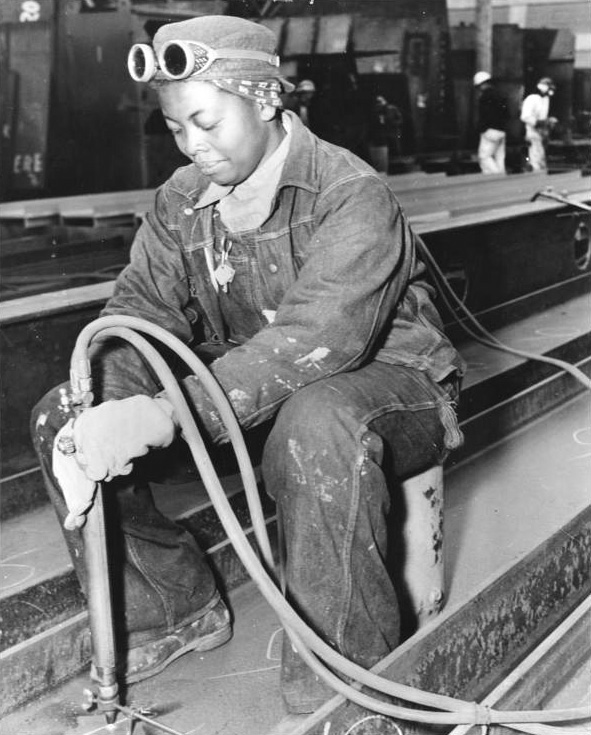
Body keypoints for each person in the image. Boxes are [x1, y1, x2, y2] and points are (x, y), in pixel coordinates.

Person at [31, 15, 465, 716]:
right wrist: (109, 401)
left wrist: (169, 413)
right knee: (67, 411)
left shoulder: (351, 195)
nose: (192, 146)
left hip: (390, 389)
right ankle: (171, 604)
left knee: (314, 420)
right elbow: (139, 311)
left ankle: (348, 689)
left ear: (265, 101)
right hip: (245, 391)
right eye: (176, 128)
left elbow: (315, 342)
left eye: (205, 122)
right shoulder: (181, 201)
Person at [473, 71, 509, 175]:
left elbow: (485, 116)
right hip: (502, 131)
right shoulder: (501, 95)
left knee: (484, 157)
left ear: (481, 84)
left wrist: (482, 129)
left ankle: (497, 177)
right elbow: (507, 114)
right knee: (499, 158)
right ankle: (501, 177)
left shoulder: (484, 97)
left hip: (490, 131)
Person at [520, 76, 557, 172]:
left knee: (540, 157)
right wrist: (539, 123)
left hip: (542, 132)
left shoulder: (545, 99)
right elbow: (525, 116)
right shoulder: (532, 99)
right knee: (535, 156)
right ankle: (536, 175)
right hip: (532, 131)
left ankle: (540, 175)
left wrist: (548, 122)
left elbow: (543, 116)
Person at [366, 95, 404, 173]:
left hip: (393, 132)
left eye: (380, 102)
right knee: (384, 152)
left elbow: (400, 120)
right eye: (377, 103)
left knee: (396, 149)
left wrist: (392, 123)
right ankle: (389, 168)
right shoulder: (376, 111)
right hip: (383, 134)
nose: (379, 104)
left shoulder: (392, 109)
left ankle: (399, 167)